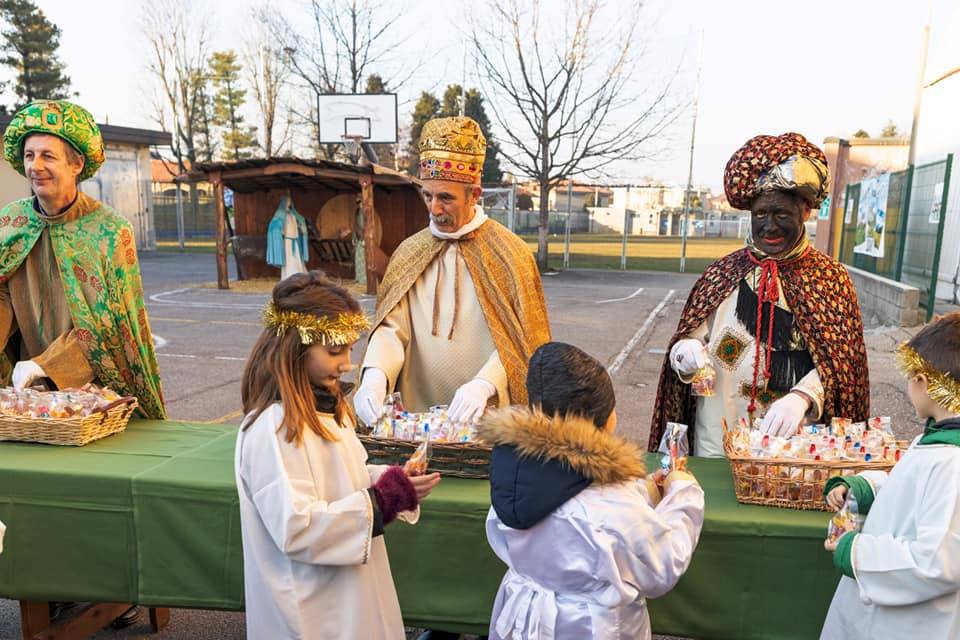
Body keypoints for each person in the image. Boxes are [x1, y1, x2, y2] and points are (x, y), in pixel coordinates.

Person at [236, 271, 441, 640]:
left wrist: (391, 480)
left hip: (347, 596)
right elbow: (296, 527)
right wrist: (382, 501)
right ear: (297, 348)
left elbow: (341, 479)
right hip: (314, 611)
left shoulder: (327, 409)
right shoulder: (272, 428)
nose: (348, 364)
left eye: (349, 349)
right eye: (335, 351)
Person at [650, 132, 868, 457]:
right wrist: (685, 354)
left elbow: (843, 365)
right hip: (717, 435)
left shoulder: (830, 279)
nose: (769, 226)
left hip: (795, 440)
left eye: (781, 214)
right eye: (760, 215)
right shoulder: (721, 273)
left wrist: (804, 396)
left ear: (805, 212)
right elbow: (688, 347)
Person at [479, 342, 704, 639]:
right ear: (602, 421)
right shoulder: (611, 503)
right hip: (589, 627)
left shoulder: (516, 475)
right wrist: (683, 491)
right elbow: (662, 565)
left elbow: (568, 514)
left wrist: (643, 490)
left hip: (525, 617)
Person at [354, 116, 550, 428]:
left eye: (445, 197)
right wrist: (375, 375)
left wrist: (485, 384)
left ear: (475, 194)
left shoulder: (510, 254)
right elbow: (392, 328)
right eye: (427, 195)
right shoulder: (410, 251)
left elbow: (524, 341)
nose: (433, 209)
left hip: (488, 419)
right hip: (415, 421)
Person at [0, 99, 164, 419]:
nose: (35, 166)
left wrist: (45, 365)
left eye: (48, 156)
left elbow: (108, 323)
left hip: (92, 391)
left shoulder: (109, 230)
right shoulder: (10, 222)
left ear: (76, 165)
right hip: (24, 388)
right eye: (30, 155)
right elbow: (2, 293)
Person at [820, 312, 960, 640]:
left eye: (910, 377)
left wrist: (854, 551)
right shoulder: (939, 439)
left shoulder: (952, 464)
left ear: (924, 382)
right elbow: (912, 493)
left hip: (909, 625)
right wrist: (865, 488)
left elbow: (937, 563)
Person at [266, 194, 308, 280]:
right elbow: (274, 225)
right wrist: (279, 230)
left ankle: (299, 274)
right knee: (289, 258)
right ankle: (289, 275)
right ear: (284, 202)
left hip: (295, 239)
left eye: (290, 201)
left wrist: (301, 226)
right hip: (287, 240)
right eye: (287, 201)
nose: (289, 203)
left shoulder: (293, 213)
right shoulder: (280, 213)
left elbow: (300, 221)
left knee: (297, 257)